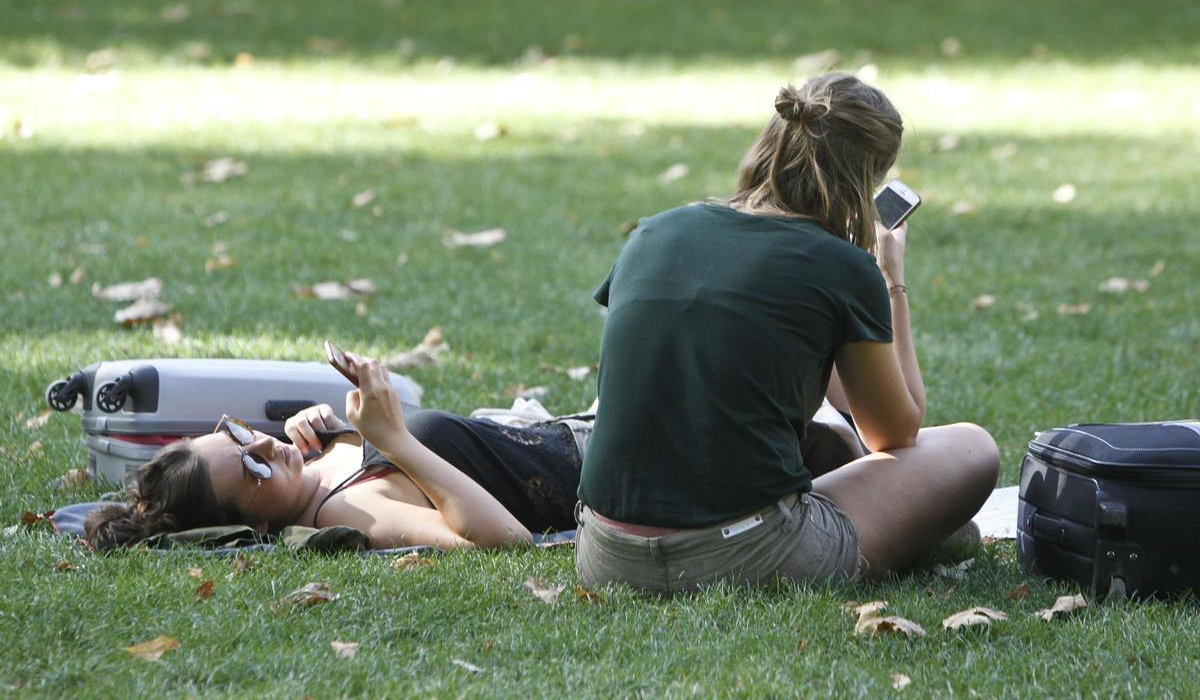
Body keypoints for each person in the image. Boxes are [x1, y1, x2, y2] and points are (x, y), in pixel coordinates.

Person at [575, 73, 1000, 594]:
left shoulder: (654, 231)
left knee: (833, 446)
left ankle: (929, 531)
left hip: (604, 553)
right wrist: (891, 279)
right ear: (864, 180)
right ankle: (930, 534)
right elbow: (894, 434)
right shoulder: (840, 266)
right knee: (973, 449)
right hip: (743, 554)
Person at [85, 354, 583, 551]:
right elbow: (509, 544)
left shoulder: (314, 460)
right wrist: (395, 441)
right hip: (600, 461)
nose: (262, 443)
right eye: (252, 465)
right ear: (257, 528)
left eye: (238, 435)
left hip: (569, 428)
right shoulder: (349, 511)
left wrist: (338, 430)